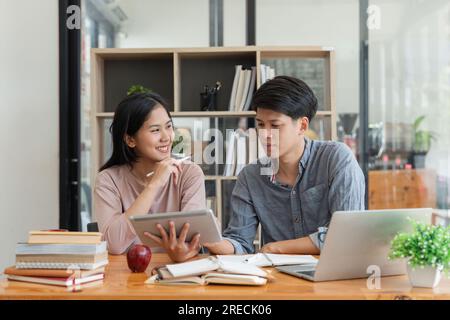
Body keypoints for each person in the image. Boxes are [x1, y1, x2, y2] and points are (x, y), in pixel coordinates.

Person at [203, 76, 365, 255]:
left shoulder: (336, 159)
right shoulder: (250, 177)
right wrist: (214, 241)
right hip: (279, 280)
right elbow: (241, 243)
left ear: (302, 126)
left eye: (275, 125)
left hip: (332, 276)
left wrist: (276, 247)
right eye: (260, 124)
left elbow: (347, 234)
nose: (265, 134)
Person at [94, 92, 206, 262]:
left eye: (169, 126)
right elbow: (114, 244)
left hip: (179, 271)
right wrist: (154, 185)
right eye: (155, 130)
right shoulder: (108, 180)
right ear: (130, 140)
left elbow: (190, 238)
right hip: (126, 277)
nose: (166, 137)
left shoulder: (190, 174)